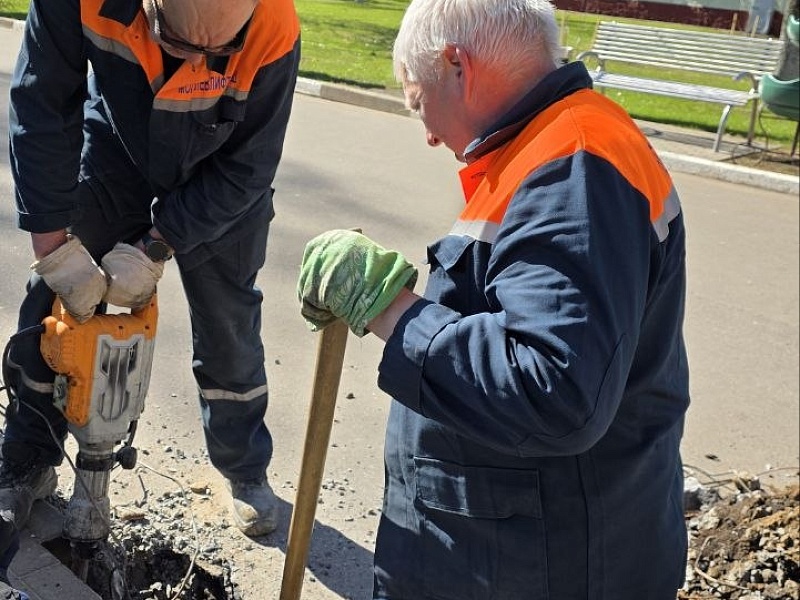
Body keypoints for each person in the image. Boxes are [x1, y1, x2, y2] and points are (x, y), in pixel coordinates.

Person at [297, 0, 690, 597]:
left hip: (540, 561)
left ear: (458, 64)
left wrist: (385, 306)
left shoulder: (572, 166)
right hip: (528, 543)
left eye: (417, 98)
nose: (428, 134)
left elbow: (552, 390)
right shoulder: (555, 146)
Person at [1, 0, 300, 539]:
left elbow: (250, 166)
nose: (199, 66)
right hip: (119, 148)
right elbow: (44, 105)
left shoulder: (274, 25)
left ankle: (244, 468)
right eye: (184, 48)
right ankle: (27, 457)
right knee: (48, 304)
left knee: (229, 323)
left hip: (223, 172)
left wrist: (156, 247)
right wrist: (55, 249)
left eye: (221, 51)